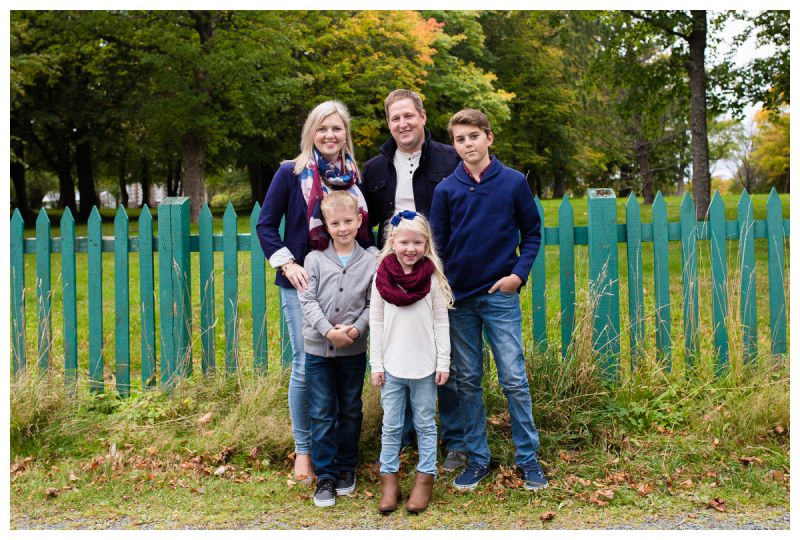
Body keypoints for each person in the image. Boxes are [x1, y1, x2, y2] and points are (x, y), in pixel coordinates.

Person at [429, 108, 548, 492]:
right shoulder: (446, 189)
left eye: (474, 137)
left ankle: (528, 459)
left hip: (499, 296)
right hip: (460, 300)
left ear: (489, 138)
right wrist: (442, 286)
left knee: (513, 378)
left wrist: (518, 275)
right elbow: (439, 245)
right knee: (467, 380)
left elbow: (531, 233)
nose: (468, 144)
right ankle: (478, 459)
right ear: (455, 145)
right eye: (460, 139)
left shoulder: (512, 183)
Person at [256, 100, 374, 486]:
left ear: (346, 133)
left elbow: (367, 232)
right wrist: (288, 264)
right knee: (307, 367)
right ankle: (304, 451)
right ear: (311, 132)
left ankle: (340, 455)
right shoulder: (290, 173)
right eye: (322, 128)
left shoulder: (357, 176)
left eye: (336, 128)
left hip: (351, 282)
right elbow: (267, 225)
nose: (329, 135)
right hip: (304, 285)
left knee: (346, 366)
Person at [361, 89, 467, 472]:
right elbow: (361, 224)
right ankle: (405, 435)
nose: (403, 124)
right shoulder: (374, 169)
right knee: (397, 356)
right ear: (389, 123)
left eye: (409, 116)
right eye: (395, 118)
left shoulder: (450, 159)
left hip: (440, 275)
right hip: (393, 280)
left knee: (443, 355)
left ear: (423, 117)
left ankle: (454, 441)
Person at [369, 211, 453, 515]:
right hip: (391, 364)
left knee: (425, 424)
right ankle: (389, 481)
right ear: (393, 241)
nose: (410, 249)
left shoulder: (430, 277)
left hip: (425, 365)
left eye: (417, 242)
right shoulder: (380, 276)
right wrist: (376, 364)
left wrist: (443, 361)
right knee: (391, 425)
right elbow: (376, 321)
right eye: (404, 242)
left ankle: (424, 479)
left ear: (426, 244)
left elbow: (441, 322)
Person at [298, 190, 374, 508]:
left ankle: (346, 468)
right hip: (318, 351)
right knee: (322, 412)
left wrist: (355, 330)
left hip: (353, 351)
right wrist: (329, 331)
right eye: (335, 223)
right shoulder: (314, 260)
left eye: (348, 221)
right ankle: (326, 474)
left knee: (350, 409)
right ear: (326, 226)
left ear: (358, 220)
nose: (342, 228)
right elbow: (307, 300)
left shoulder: (371, 260)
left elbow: (373, 304)